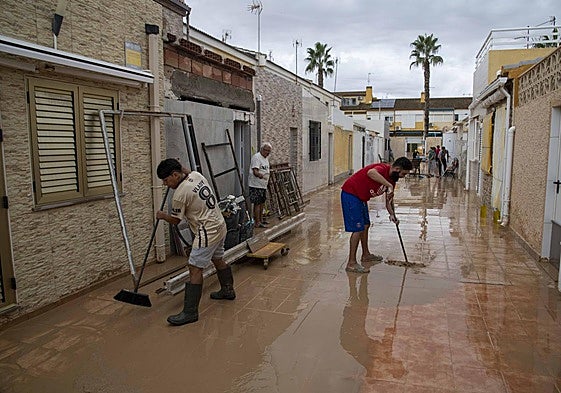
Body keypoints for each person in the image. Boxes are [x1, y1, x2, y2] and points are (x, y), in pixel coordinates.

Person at [156, 159, 235, 326]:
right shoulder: (196, 175)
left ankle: (190, 312)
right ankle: (228, 290)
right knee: (218, 259)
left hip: (207, 231)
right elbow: (187, 170)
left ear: (175, 175)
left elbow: (176, 221)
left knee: (194, 267)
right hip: (220, 224)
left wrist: (162, 216)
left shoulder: (179, 195)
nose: (164, 184)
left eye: (165, 180)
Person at [341, 157, 413, 273]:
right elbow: (371, 173)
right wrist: (388, 185)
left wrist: (392, 215)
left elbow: (389, 201)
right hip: (351, 193)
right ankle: (351, 263)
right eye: (403, 174)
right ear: (397, 169)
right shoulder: (382, 169)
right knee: (358, 228)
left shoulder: (392, 181)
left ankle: (366, 254)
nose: (403, 177)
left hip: (361, 198)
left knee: (365, 225)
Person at [249, 143, 272, 228]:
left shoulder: (265, 158)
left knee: (262, 203)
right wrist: (261, 175)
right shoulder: (257, 157)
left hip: (263, 185)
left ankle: (261, 220)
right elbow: (255, 171)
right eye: (267, 151)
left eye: (269, 151)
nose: (268, 153)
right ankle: (257, 222)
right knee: (257, 203)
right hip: (256, 184)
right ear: (262, 150)